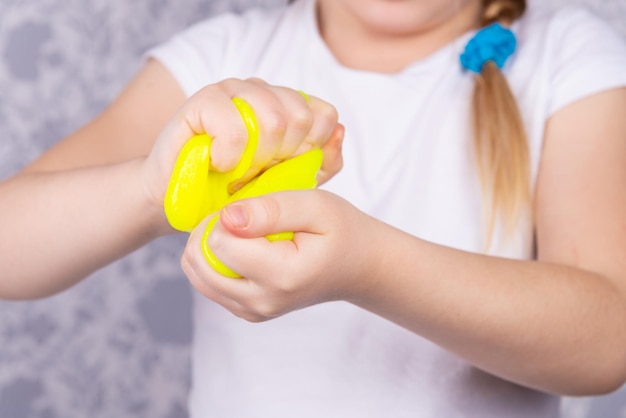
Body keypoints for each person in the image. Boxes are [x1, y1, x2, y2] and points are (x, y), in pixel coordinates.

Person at [1, 0, 626, 416]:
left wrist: (371, 267)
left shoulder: (570, 55)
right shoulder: (219, 56)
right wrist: (149, 185)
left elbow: (606, 343)